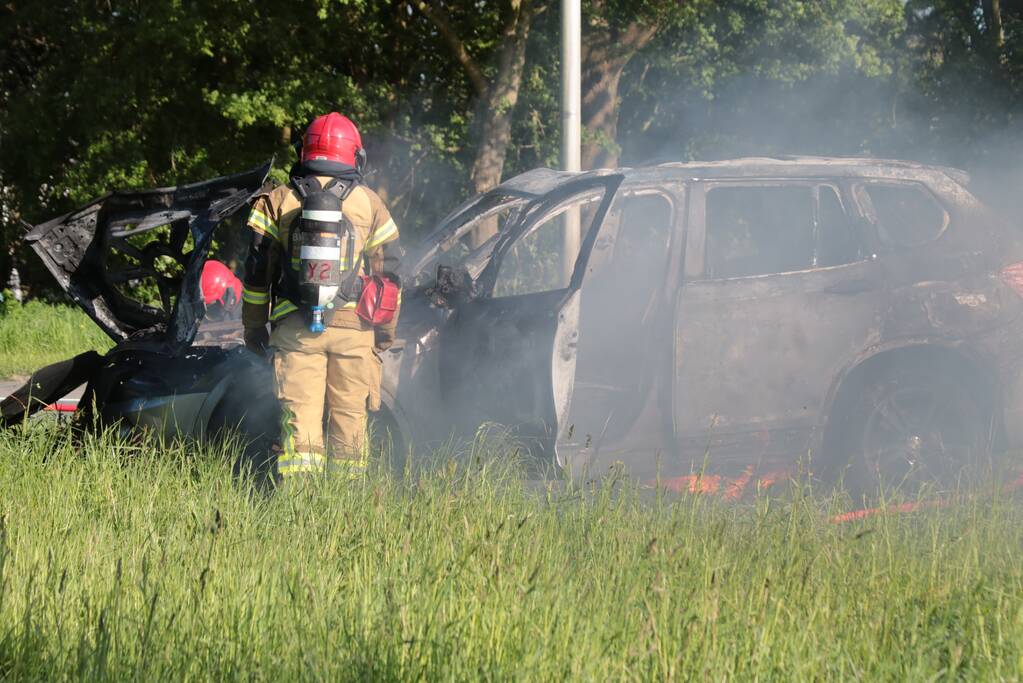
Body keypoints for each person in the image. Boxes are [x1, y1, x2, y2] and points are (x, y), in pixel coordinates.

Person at [241, 112, 401, 481]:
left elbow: (256, 275)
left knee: (300, 434)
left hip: (295, 335)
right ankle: (344, 514)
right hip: (355, 333)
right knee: (349, 434)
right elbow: (390, 278)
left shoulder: (276, 200)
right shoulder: (370, 204)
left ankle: (301, 513)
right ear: (355, 157)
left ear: (303, 151)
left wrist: (254, 330)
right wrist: (383, 335)